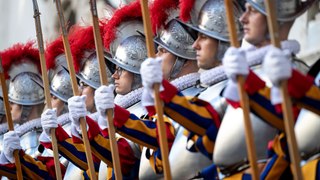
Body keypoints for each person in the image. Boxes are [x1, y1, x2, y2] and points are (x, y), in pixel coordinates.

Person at [220, 0, 317, 178]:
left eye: (252, 11)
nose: (242, 18)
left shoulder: (295, 70)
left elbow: (291, 135)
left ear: (276, 17)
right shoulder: (248, 69)